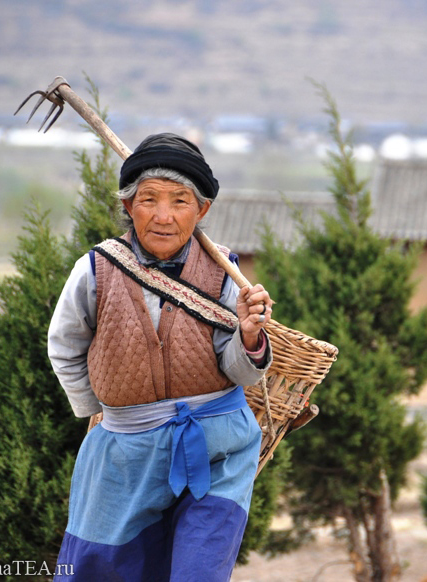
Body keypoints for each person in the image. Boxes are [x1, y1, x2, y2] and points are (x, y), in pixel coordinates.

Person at [47, 133, 273, 582]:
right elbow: (65, 345)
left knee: (198, 570)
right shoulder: (95, 269)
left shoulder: (226, 273)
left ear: (202, 210)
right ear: (129, 207)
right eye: (148, 199)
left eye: (180, 200)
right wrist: (108, 410)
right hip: (124, 451)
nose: (164, 216)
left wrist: (248, 335)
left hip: (218, 447)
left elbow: (235, 369)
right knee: (101, 569)